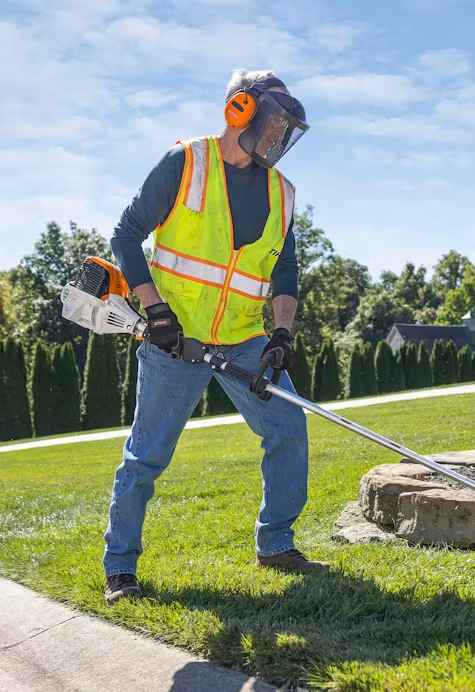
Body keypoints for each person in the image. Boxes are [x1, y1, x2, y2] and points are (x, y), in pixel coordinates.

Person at [103, 68, 328, 606]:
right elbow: (126, 235)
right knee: (147, 456)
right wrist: (154, 310)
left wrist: (281, 335)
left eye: (287, 130)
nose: (279, 138)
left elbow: (286, 271)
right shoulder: (186, 162)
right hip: (172, 338)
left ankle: (275, 544)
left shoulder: (283, 193)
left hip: (243, 338)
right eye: (274, 122)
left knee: (288, 426)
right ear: (240, 110)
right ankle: (120, 568)